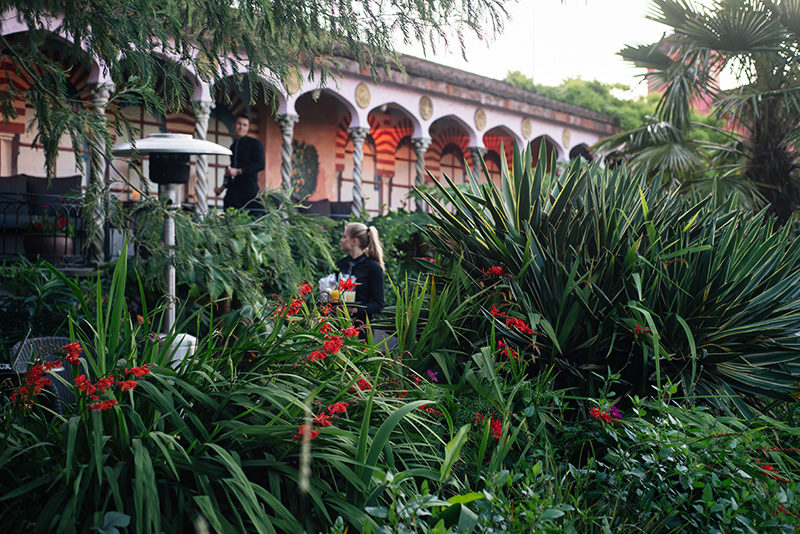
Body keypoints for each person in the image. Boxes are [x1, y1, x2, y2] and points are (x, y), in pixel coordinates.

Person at [336, 222, 385, 325]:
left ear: (354, 241)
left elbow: (379, 304)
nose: (341, 240)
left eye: (344, 237)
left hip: (362, 328)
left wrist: (355, 310)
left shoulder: (373, 267)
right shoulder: (341, 264)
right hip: (338, 326)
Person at [214, 114, 265, 211]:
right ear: (234, 125)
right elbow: (233, 169)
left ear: (248, 128)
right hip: (234, 190)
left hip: (249, 189)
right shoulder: (233, 146)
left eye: (245, 125)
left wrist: (239, 171)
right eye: (239, 124)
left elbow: (260, 165)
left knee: (254, 218)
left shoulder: (254, 143)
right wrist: (224, 186)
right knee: (228, 213)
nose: (241, 127)